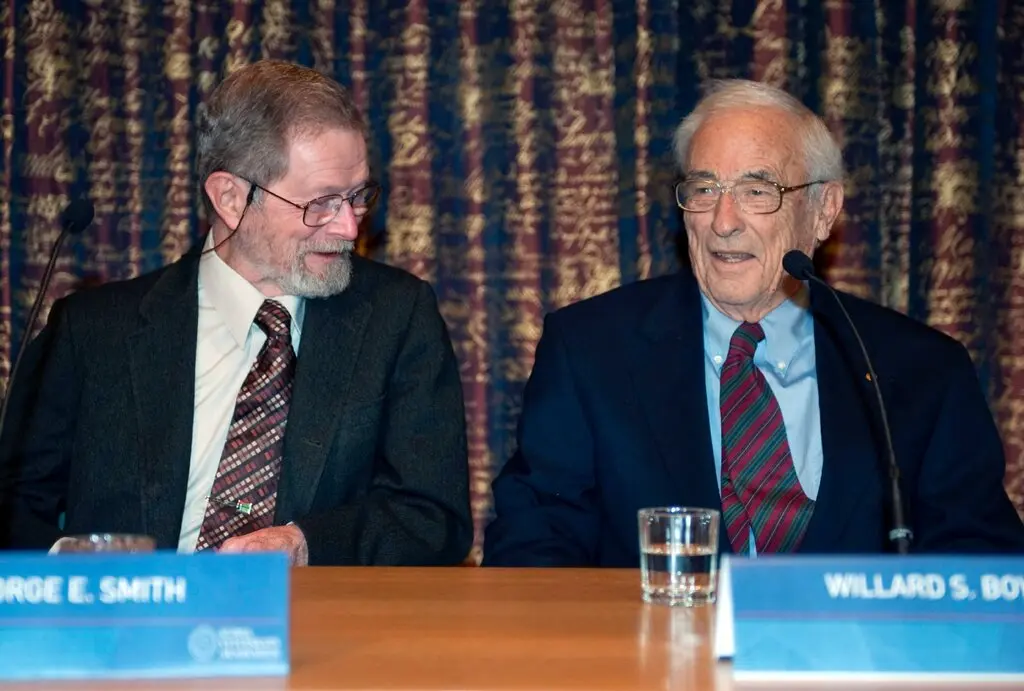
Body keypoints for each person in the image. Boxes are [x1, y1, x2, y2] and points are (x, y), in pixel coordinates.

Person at [484, 79, 1024, 566]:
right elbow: (534, 546)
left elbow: (978, 559)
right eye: (703, 189)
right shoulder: (591, 351)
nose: (722, 222)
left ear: (823, 210)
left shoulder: (921, 370)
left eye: (756, 191)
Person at [0, 60, 473, 566]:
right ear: (230, 197)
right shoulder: (93, 332)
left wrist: (305, 543)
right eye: (322, 203)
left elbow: (433, 515)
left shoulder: (395, 317)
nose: (348, 228)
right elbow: (14, 503)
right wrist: (79, 564)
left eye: (357, 198)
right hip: (127, 629)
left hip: (319, 626)